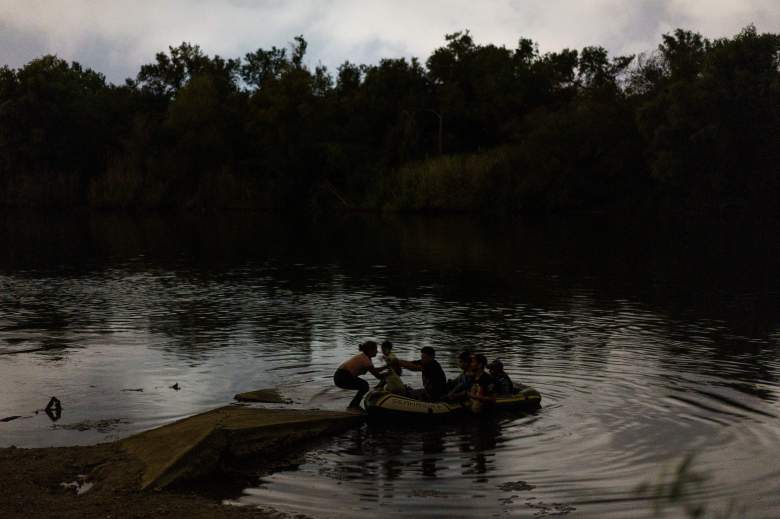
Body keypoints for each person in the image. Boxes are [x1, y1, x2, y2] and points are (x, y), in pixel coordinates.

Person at [334, 341, 385, 412]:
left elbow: (374, 370)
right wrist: (386, 375)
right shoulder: (365, 360)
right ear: (370, 350)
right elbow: (377, 375)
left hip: (341, 376)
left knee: (364, 385)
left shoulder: (365, 357)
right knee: (364, 386)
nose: (377, 351)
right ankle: (353, 405)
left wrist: (386, 367)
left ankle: (354, 405)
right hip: (342, 377)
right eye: (375, 350)